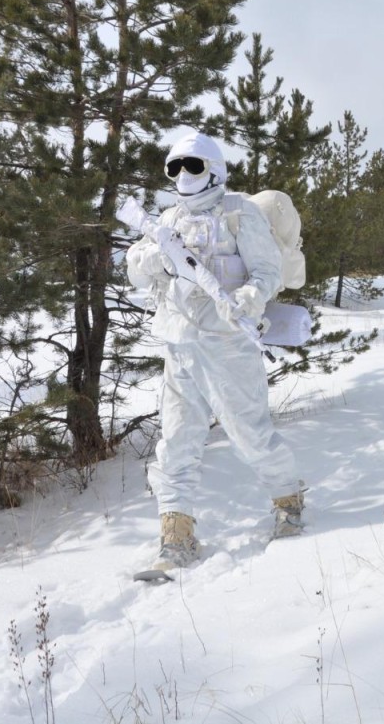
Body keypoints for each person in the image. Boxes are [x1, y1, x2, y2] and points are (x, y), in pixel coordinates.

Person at [125, 131, 304, 572]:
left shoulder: (239, 214)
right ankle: (176, 533)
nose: (184, 175)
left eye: (194, 166)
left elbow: (266, 270)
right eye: (175, 167)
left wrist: (247, 298)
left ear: (215, 169)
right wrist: (154, 261)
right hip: (180, 346)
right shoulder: (166, 220)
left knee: (251, 434)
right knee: (178, 442)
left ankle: (288, 503)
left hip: (228, 346)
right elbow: (135, 269)